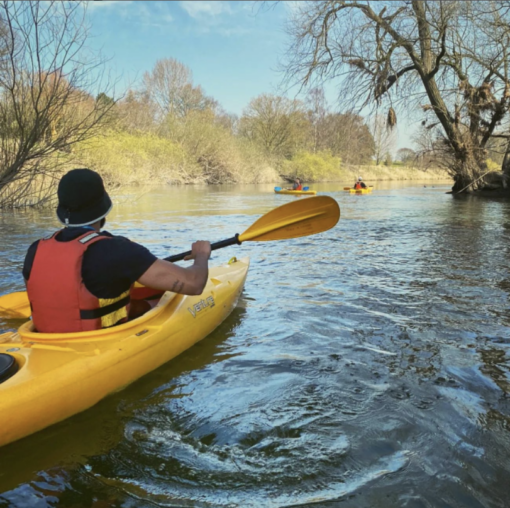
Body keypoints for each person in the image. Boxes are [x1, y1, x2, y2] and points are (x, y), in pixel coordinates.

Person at [23, 168, 211, 333]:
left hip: (43, 341)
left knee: (141, 303)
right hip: (96, 344)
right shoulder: (117, 250)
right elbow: (194, 284)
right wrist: (201, 255)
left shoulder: (35, 249)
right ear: (103, 208)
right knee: (154, 303)